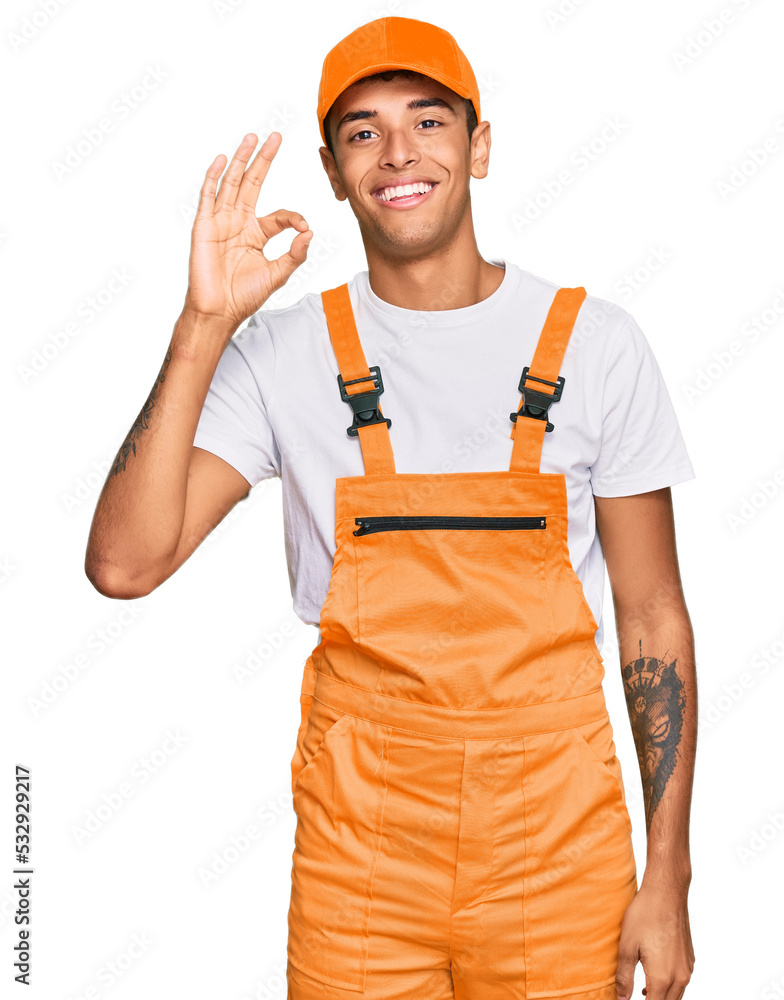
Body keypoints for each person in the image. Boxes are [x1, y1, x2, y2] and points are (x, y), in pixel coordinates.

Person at [84, 15, 697, 1000]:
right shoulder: (281, 355)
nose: (398, 152)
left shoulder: (595, 345)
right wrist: (205, 322)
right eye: (364, 131)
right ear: (332, 171)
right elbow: (125, 562)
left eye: (428, 120)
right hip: (359, 869)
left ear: (478, 144)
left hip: (560, 863)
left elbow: (653, 615)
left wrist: (667, 870)